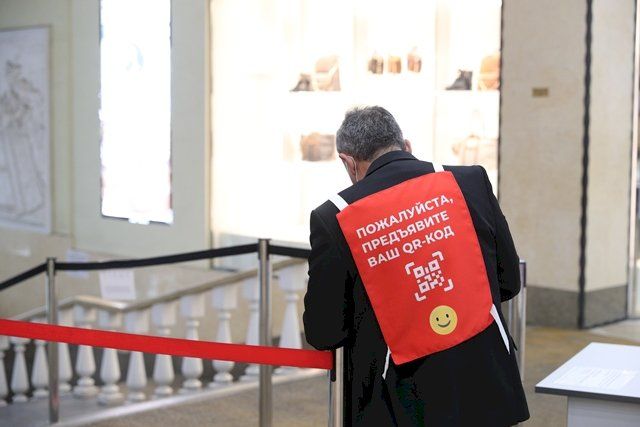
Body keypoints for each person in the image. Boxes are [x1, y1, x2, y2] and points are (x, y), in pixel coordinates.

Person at [303, 106, 529, 426]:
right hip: (486, 384)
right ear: (406, 146)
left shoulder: (334, 217)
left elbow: (325, 331)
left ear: (348, 162)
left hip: (398, 403)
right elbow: (508, 281)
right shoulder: (469, 182)